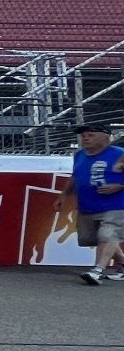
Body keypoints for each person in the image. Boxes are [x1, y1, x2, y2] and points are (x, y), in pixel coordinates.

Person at [62, 121, 124, 286]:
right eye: (83, 136)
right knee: (92, 238)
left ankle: (98, 270)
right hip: (88, 206)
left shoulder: (119, 154)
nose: (85, 138)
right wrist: (63, 196)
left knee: (108, 235)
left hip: (116, 205)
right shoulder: (79, 155)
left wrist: (119, 185)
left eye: (91, 135)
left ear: (105, 138)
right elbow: (75, 177)